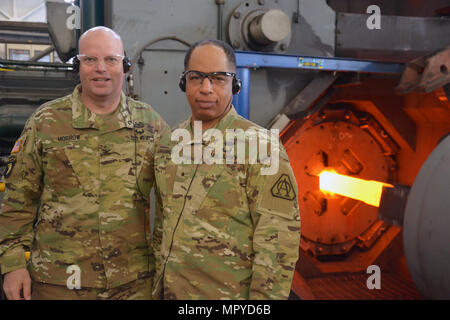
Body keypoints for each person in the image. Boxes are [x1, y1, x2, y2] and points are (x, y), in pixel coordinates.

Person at [0, 26, 168, 300]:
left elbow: (170, 201)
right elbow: (18, 198)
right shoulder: (47, 122)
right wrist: (13, 264)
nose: (100, 68)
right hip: (59, 283)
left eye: (111, 60)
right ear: (78, 66)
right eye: (90, 60)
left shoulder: (150, 124)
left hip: (133, 284)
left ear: (124, 66)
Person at [152, 39, 301, 300]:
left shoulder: (261, 147)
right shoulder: (169, 143)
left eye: (218, 78)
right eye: (196, 77)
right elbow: (162, 226)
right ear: (183, 82)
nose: (206, 88)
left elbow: (278, 244)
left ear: (234, 84)